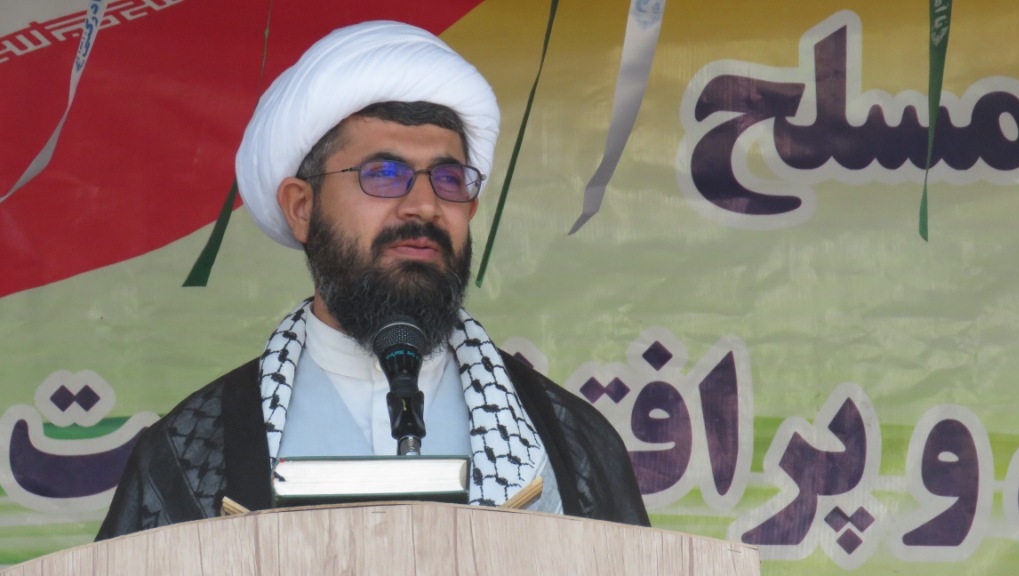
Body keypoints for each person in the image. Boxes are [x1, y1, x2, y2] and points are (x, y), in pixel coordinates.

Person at [96, 20, 649, 539]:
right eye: (384, 174)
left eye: (449, 178)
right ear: (302, 207)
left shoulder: (569, 440)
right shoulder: (193, 448)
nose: (425, 206)